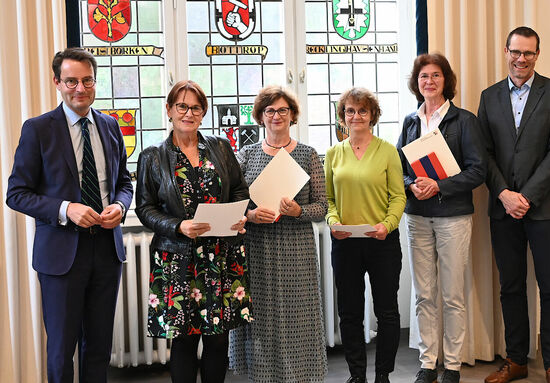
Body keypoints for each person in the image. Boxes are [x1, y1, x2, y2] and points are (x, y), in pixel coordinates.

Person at [5, 48, 133, 382]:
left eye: (87, 80)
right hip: (61, 257)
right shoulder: (38, 129)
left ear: (95, 81)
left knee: (99, 349)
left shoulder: (110, 125)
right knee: (62, 351)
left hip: (107, 252)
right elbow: (16, 194)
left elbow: (124, 183)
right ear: (57, 83)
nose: (80, 88)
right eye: (72, 81)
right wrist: (66, 209)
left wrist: (120, 206)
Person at [135, 80, 252, 383]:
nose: (188, 113)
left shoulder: (222, 148)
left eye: (195, 107)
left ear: (203, 112)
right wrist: (178, 226)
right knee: (184, 339)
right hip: (177, 258)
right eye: (182, 106)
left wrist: (240, 214)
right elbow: (145, 209)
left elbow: (240, 190)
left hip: (221, 256)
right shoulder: (152, 156)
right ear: (169, 110)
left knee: (217, 339)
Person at [477, 26, 550, 383]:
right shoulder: (489, 97)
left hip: (543, 208)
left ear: (537, 55)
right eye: (515, 52)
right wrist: (504, 194)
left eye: (528, 53)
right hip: (503, 209)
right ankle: (516, 360)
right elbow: (483, 153)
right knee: (511, 286)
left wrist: (526, 197)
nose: (521, 59)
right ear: (506, 51)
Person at [396, 53, 486, 383]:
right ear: (416, 83)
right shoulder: (409, 122)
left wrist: (439, 186)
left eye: (435, 76)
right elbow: (398, 169)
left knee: (452, 295)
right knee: (424, 294)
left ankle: (452, 365)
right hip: (417, 216)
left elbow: (479, 170)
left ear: (446, 80)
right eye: (423, 77)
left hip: (452, 217)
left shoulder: (464, 121)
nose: (429, 81)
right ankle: (428, 362)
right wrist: (411, 185)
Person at [229, 85, 328, 382]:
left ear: (293, 115)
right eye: (270, 111)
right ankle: (263, 375)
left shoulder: (308, 155)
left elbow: (323, 207)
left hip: (295, 247)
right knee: (261, 318)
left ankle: (299, 375)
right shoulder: (245, 154)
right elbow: (232, 203)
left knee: (298, 315)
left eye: (282, 110)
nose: (276, 116)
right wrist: (250, 215)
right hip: (257, 245)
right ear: (260, 116)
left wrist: (299, 211)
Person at [325, 87, 406, 383]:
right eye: (349, 111)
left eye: (362, 111)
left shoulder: (387, 151)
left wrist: (388, 224)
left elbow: (399, 197)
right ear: (342, 116)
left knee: (386, 311)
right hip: (345, 242)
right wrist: (333, 221)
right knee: (350, 313)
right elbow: (329, 200)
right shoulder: (333, 154)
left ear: (373, 115)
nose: (355, 116)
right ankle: (356, 374)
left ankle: (383, 374)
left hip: (382, 241)